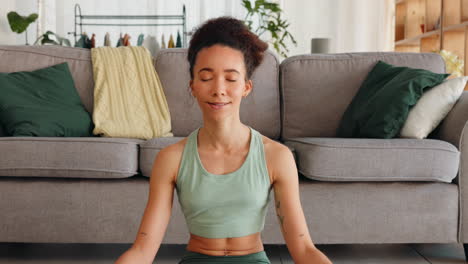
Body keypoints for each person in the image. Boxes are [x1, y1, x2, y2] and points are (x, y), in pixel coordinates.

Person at [115, 16, 332, 264]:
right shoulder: (171, 159)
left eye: (231, 79)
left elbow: (304, 249)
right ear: (193, 86)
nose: (219, 89)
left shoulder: (276, 156)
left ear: (246, 87)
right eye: (206, 78)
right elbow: (143, 250)